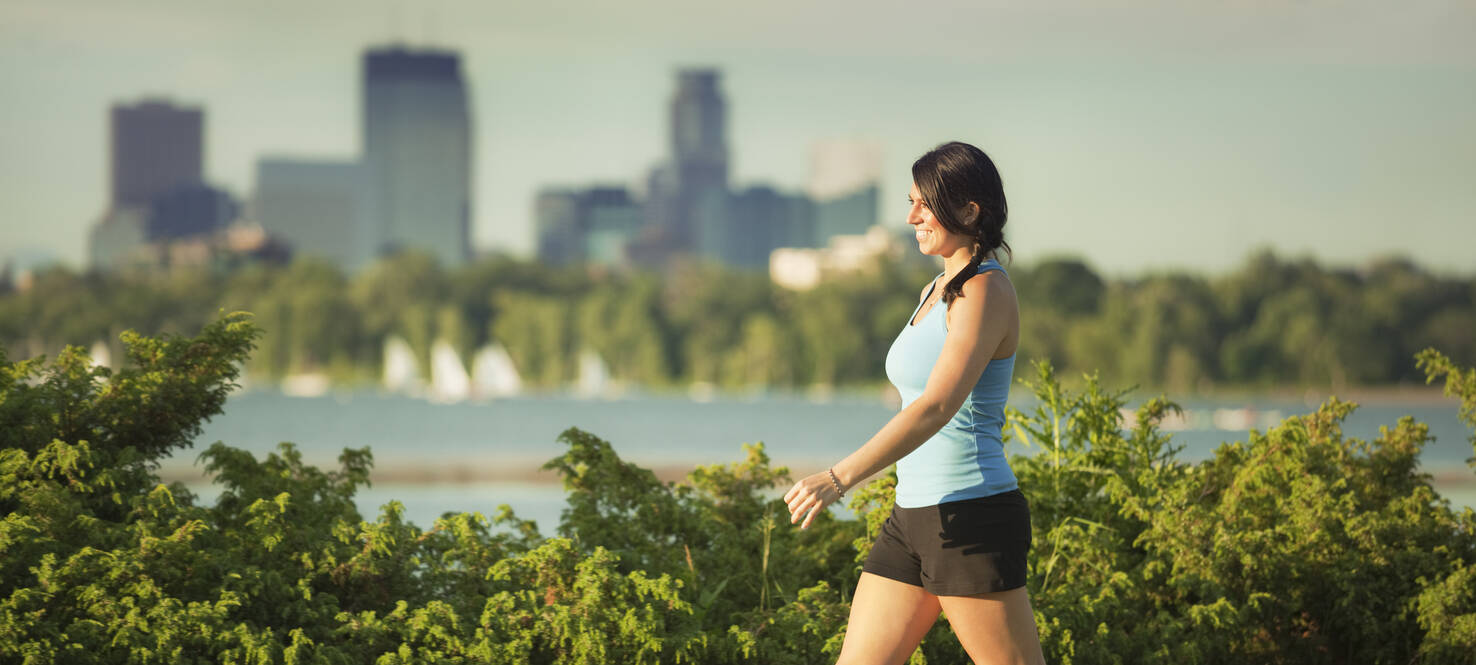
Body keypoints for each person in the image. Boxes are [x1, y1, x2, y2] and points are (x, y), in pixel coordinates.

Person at [784, 141, 1046, 665]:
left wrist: (838, 478)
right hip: (912, 518)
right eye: (910, 202)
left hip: (971, 514)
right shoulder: (935, 290)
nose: (911, 217)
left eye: (925, 205)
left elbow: (936, 406)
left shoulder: (985, 291)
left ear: (970, 211)